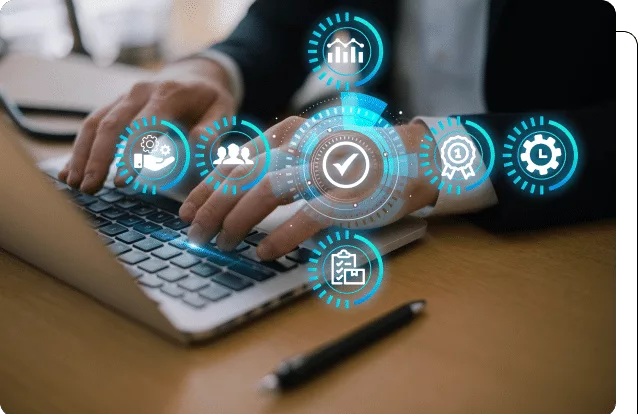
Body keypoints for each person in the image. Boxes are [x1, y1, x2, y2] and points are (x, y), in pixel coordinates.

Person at [58, 0, 615, 261]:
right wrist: (213, 68)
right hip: (380, 228)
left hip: (565, 243)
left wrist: (447, 151)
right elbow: (283, 21)